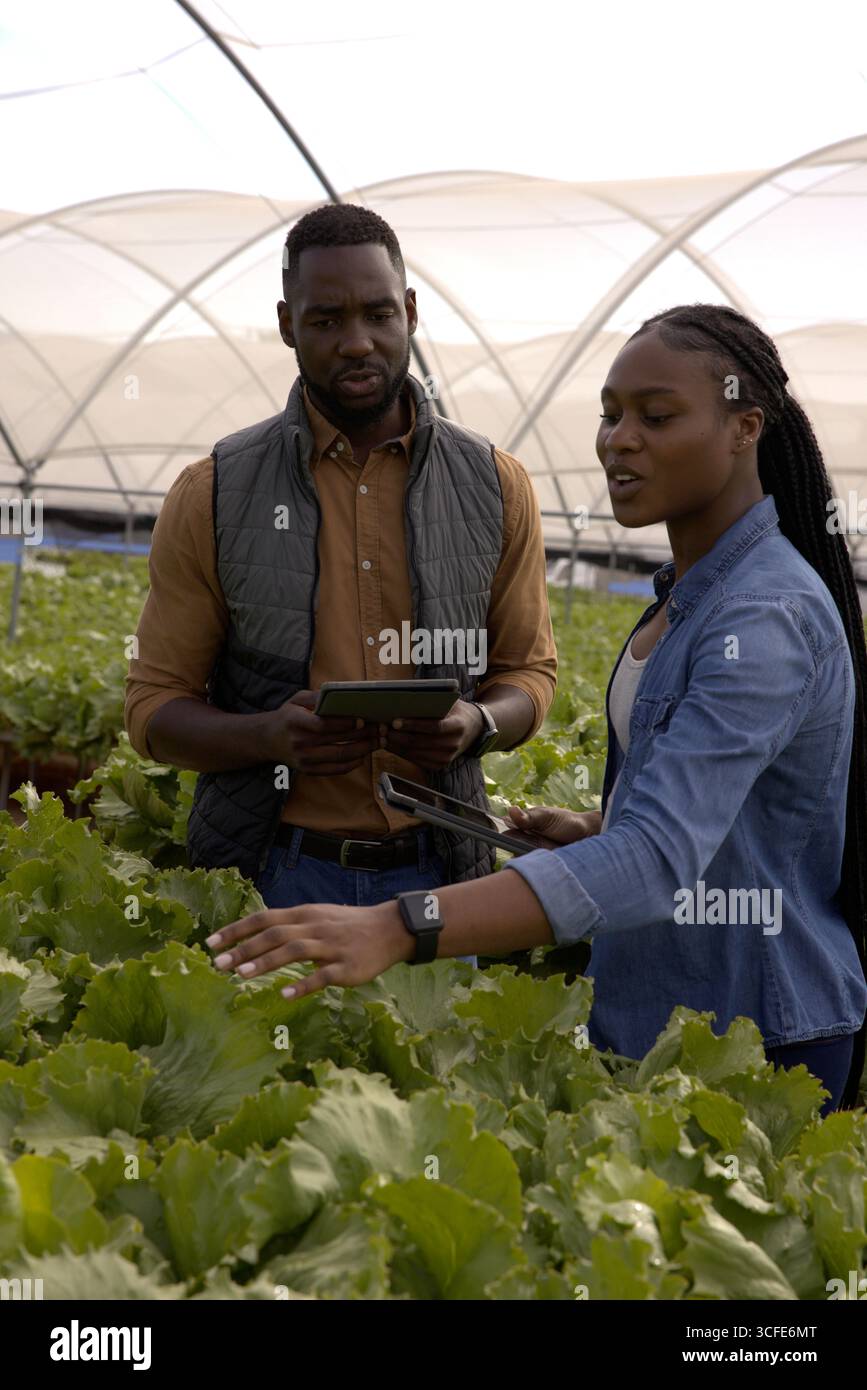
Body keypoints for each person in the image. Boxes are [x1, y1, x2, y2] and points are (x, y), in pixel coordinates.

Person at [205, 303, 867, 1116]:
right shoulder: (691, 596)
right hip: (654, 1013)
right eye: (610, 413)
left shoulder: (762, 618)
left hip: (752, 1035)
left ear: (743, 428)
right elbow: (727, 821)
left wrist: (397, 925)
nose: (617, 439)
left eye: (655, 417)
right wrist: (597, 828)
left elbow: (658, 860)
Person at [124, 203, 556, 920]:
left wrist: (473, 724)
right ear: (288, 324)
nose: (357, 343)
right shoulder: (214, 491)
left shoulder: (494, 484)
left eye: (377, 315)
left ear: (410, 313)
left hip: (444, 876)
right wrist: (264, 736)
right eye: (325, 321)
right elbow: (153, 708)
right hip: (271, 874)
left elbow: (528, 675)